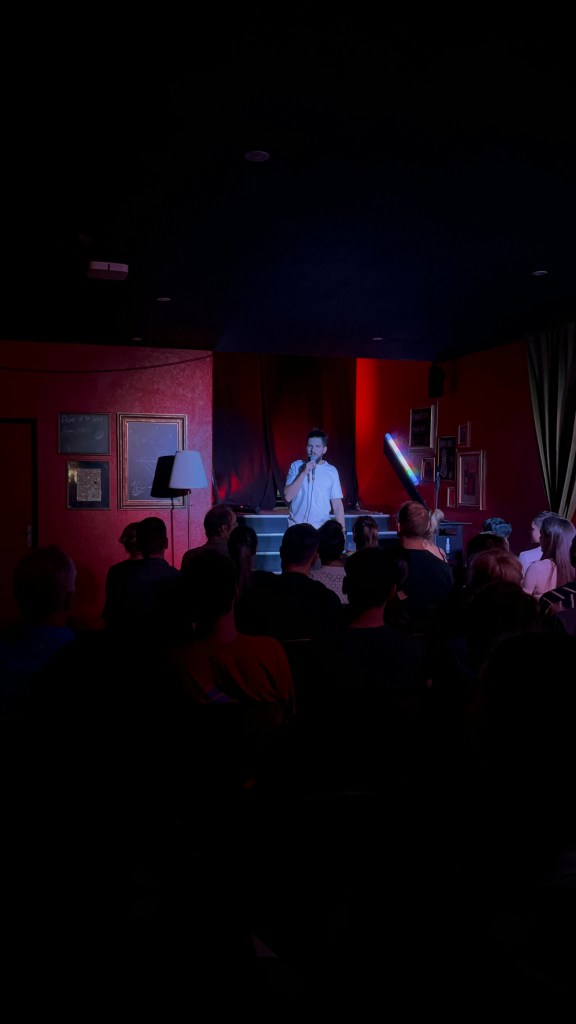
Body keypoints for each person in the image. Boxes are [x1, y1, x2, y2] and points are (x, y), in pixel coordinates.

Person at [283, 427, 345, 531]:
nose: (313, 450)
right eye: (310, 446)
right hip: (296, 528)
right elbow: (288, 496)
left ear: (324, 449)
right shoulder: (296, 466)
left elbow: (337, 504)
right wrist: (303, 472)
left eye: (317, 446)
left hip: (321, 530)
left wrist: (343, 530)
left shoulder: (331, 471)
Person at [522, 515, 576, 600]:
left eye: (542, 535)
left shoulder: (537, 568)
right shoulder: (573, 568)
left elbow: (523, 602)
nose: (540, 539)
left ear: (550, 540)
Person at [181, 505, 237, 571]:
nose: (236, 527)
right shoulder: (235, 557)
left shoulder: (189, 556)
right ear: (224, 529)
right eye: (234, 524)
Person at [517, 511, 559, 576]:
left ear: (542, 530)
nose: (530, 531)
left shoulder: (525, 556)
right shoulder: (565, 553)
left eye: (533, 529)